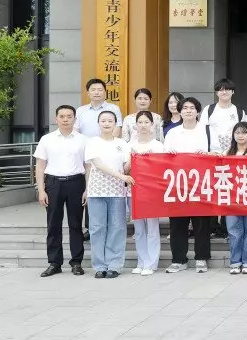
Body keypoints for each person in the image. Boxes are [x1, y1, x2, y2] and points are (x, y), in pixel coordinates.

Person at [164, 97, 219, 273]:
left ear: (198, 111)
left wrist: (207, 154)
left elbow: (218, 153)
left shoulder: (208, 131)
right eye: (185, 108)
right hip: (178, 184)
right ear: (180, 111)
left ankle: (201, 258)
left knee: (201, 223)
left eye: (192, 108)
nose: (188, 110)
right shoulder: (173, 133)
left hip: (201, 182)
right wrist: (169, 155)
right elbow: (163, 158)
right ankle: (179, 259)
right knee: (177, 223)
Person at [34, 105, 88, 277]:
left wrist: (87, 189)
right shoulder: (47, 139)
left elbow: (88, 166)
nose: (65, 119)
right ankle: (54, 262)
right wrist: (41, 190)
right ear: (56, 119)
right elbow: (40, 166)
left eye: (69, 116)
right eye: (62, 116)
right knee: (53, 225)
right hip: (53, 184)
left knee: (75, 224)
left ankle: (76, 262)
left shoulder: (83, 140)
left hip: (76, 183)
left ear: (74, 119)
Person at [85, 110, 134, 278]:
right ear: (98, 124)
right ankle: (99, 266)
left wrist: (134, 161)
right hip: (97, 191)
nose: (106, 123)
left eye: (110, 121)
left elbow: (126, 166)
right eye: (103, 121)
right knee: (97, 228)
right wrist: (121, 175)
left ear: (115, 124)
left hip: (118, 192)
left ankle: (115, 264)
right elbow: (98, 164)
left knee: (117, 228)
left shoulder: (122, 144)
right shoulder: (92, 142)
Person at [199, 78, 247, 239]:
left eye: (227, 89)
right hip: (212, 157)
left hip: (233, 158)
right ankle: (212, 226)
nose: (224, 92)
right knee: (212, 191)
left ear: (232, 92)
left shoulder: (239, 112)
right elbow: (202, 132)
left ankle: (227, 228)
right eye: (220, 89)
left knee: (230, 190)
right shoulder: (209, 110)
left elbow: (245, 134)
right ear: (216, 92)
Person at [74, 77, 123, 241]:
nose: (96, 92)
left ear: (105, 92)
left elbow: (117, 130)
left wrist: (105, 148)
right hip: (87, 157)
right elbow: (76, 132)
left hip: (108, 156)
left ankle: (108, 224)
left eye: (100, 89)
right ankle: (89, 226)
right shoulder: (80, 111)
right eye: (93, 89)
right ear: (88, 92)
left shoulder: (113, 108)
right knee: (89, 190)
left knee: (107, 190)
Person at [127, 111, 163, 276]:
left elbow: (163, 169)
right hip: (133, 190)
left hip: (151, 191)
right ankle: (141, 261)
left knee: (152, 228)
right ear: (135, 125)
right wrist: (132, 157)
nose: (143, 125)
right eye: (140, 122)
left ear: (152, 124)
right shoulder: (129, 145)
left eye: (146, 122)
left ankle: (151, 262)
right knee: (139, 228)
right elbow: (125, 169)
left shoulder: (158, 145)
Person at [226, 122, 247, 274]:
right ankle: (235, 261)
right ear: (233, 135)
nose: (240, 135)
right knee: (234, 230)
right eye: (237, 132)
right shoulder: (228, 152)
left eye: (244, 132)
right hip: (232, 198)